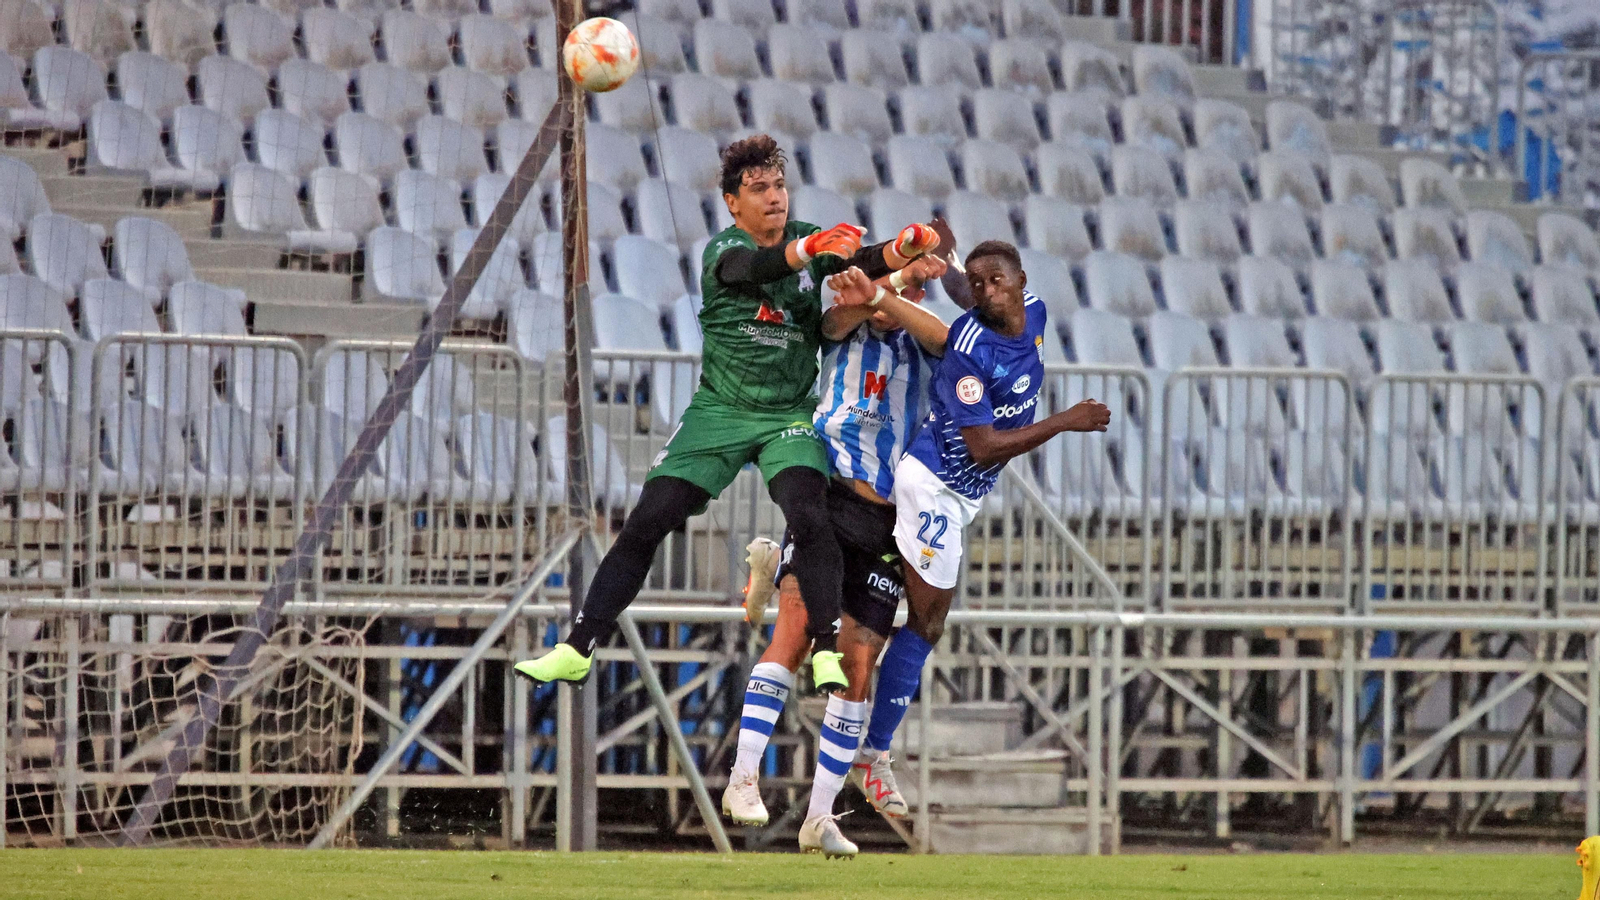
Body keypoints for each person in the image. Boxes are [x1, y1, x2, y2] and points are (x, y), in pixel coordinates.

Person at [512, 134, 939, 692]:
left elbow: (857, 260)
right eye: (758, 188)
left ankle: (828, 651)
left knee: (810, 515)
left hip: (787, 413)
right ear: (733, 203)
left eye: (779, 185)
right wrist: (812, 253)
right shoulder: (722, 251)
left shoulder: (809, 240)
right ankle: (578, 646)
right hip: (720, 411)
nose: (773, 197)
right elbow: (752, 268)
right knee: (649, 518)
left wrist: (901, 248)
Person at [814, 241, 1109, 842]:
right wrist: (1064, 421)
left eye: (994, 280)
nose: (986, 291)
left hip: (963, 496)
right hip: (934, 485)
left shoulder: (1036, 308)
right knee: (926, 621)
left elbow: (965, 297)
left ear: (1020, 281)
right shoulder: (967, 355)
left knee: (925, 620)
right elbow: (983, 447)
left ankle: (870, 732)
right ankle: (873, 753)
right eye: (977, 284)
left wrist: (947, 264)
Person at [720, 260, 951, 859]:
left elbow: (941, 336)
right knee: (796, 636)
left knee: (857, 667)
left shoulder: (927, 344)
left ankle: (820, 816)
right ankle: (742, 777)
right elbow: (834, 319)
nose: (903, 292)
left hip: (884, 522)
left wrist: (893, 288)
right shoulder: (846, 326)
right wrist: (876, 286)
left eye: (913, 285)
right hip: (829, 498)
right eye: (897, 281)